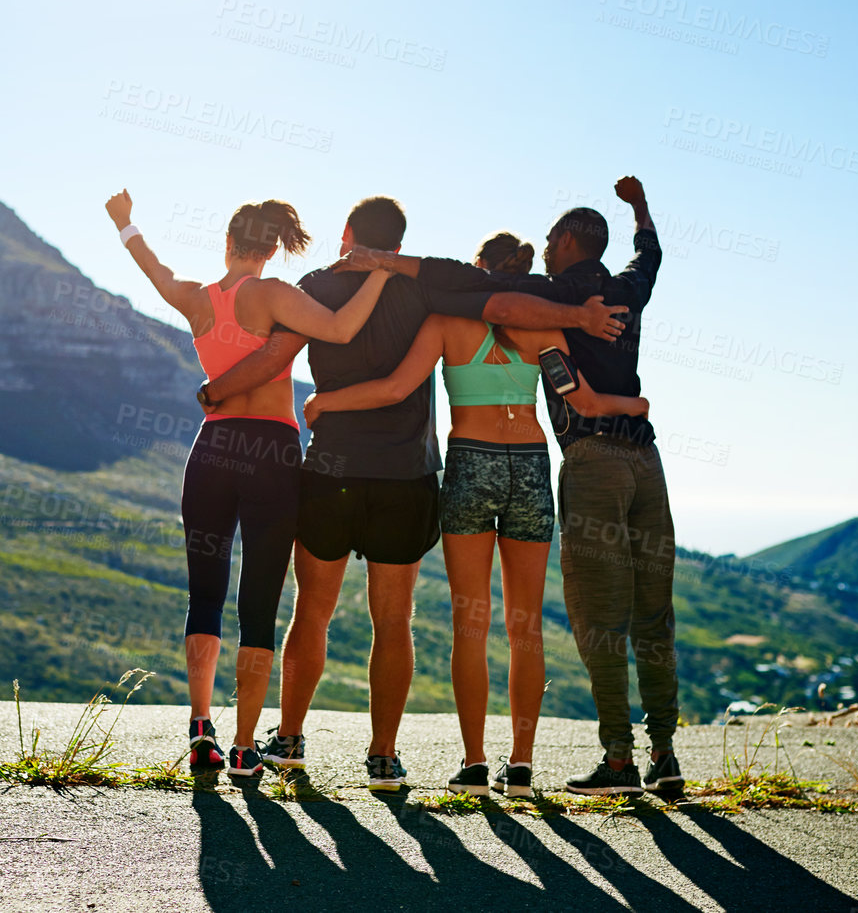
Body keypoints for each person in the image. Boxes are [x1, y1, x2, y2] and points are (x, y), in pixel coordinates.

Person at [198, 196, 630, 792]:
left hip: (331, 470)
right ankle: (382, 756)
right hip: (407, 476)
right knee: (394, 619)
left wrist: (215, 391)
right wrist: (579, 319)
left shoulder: (316, 288)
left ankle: (291, 740)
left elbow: (278, 353)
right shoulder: (426, 291)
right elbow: (503, 305)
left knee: (312, 612)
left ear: (348, 232)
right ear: (399, 244)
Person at [324, 177, 680, 798]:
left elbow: (393, 388)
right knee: (527, 627)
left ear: (479, 270)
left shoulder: (448, 320)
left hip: (471, 459)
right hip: (532, 464)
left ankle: (474, 765)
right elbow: (583, 394)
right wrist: (638, 401)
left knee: (472, 623)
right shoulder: (549, 329)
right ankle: (522, 766)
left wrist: (327, 402)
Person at [103, 189, 394, 778]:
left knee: (204, 595)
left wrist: (126, 223)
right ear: (270, 247)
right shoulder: (276, 294)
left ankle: (200, 730)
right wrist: (381, 276)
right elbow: (338, 330)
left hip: (210, 447)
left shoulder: (197, 298)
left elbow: (153, 270)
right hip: (270, 451)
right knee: (258, 603)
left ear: (230, 242)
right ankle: (243, 746)